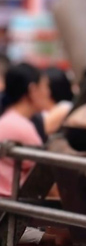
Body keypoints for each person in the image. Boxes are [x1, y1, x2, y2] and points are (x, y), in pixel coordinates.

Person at [0, 64, 50, 196]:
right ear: (32, 90)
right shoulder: (19, 126)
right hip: (12, 210)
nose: (48, 93)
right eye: (45, 86)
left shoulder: (10, 120)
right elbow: (46, 176)